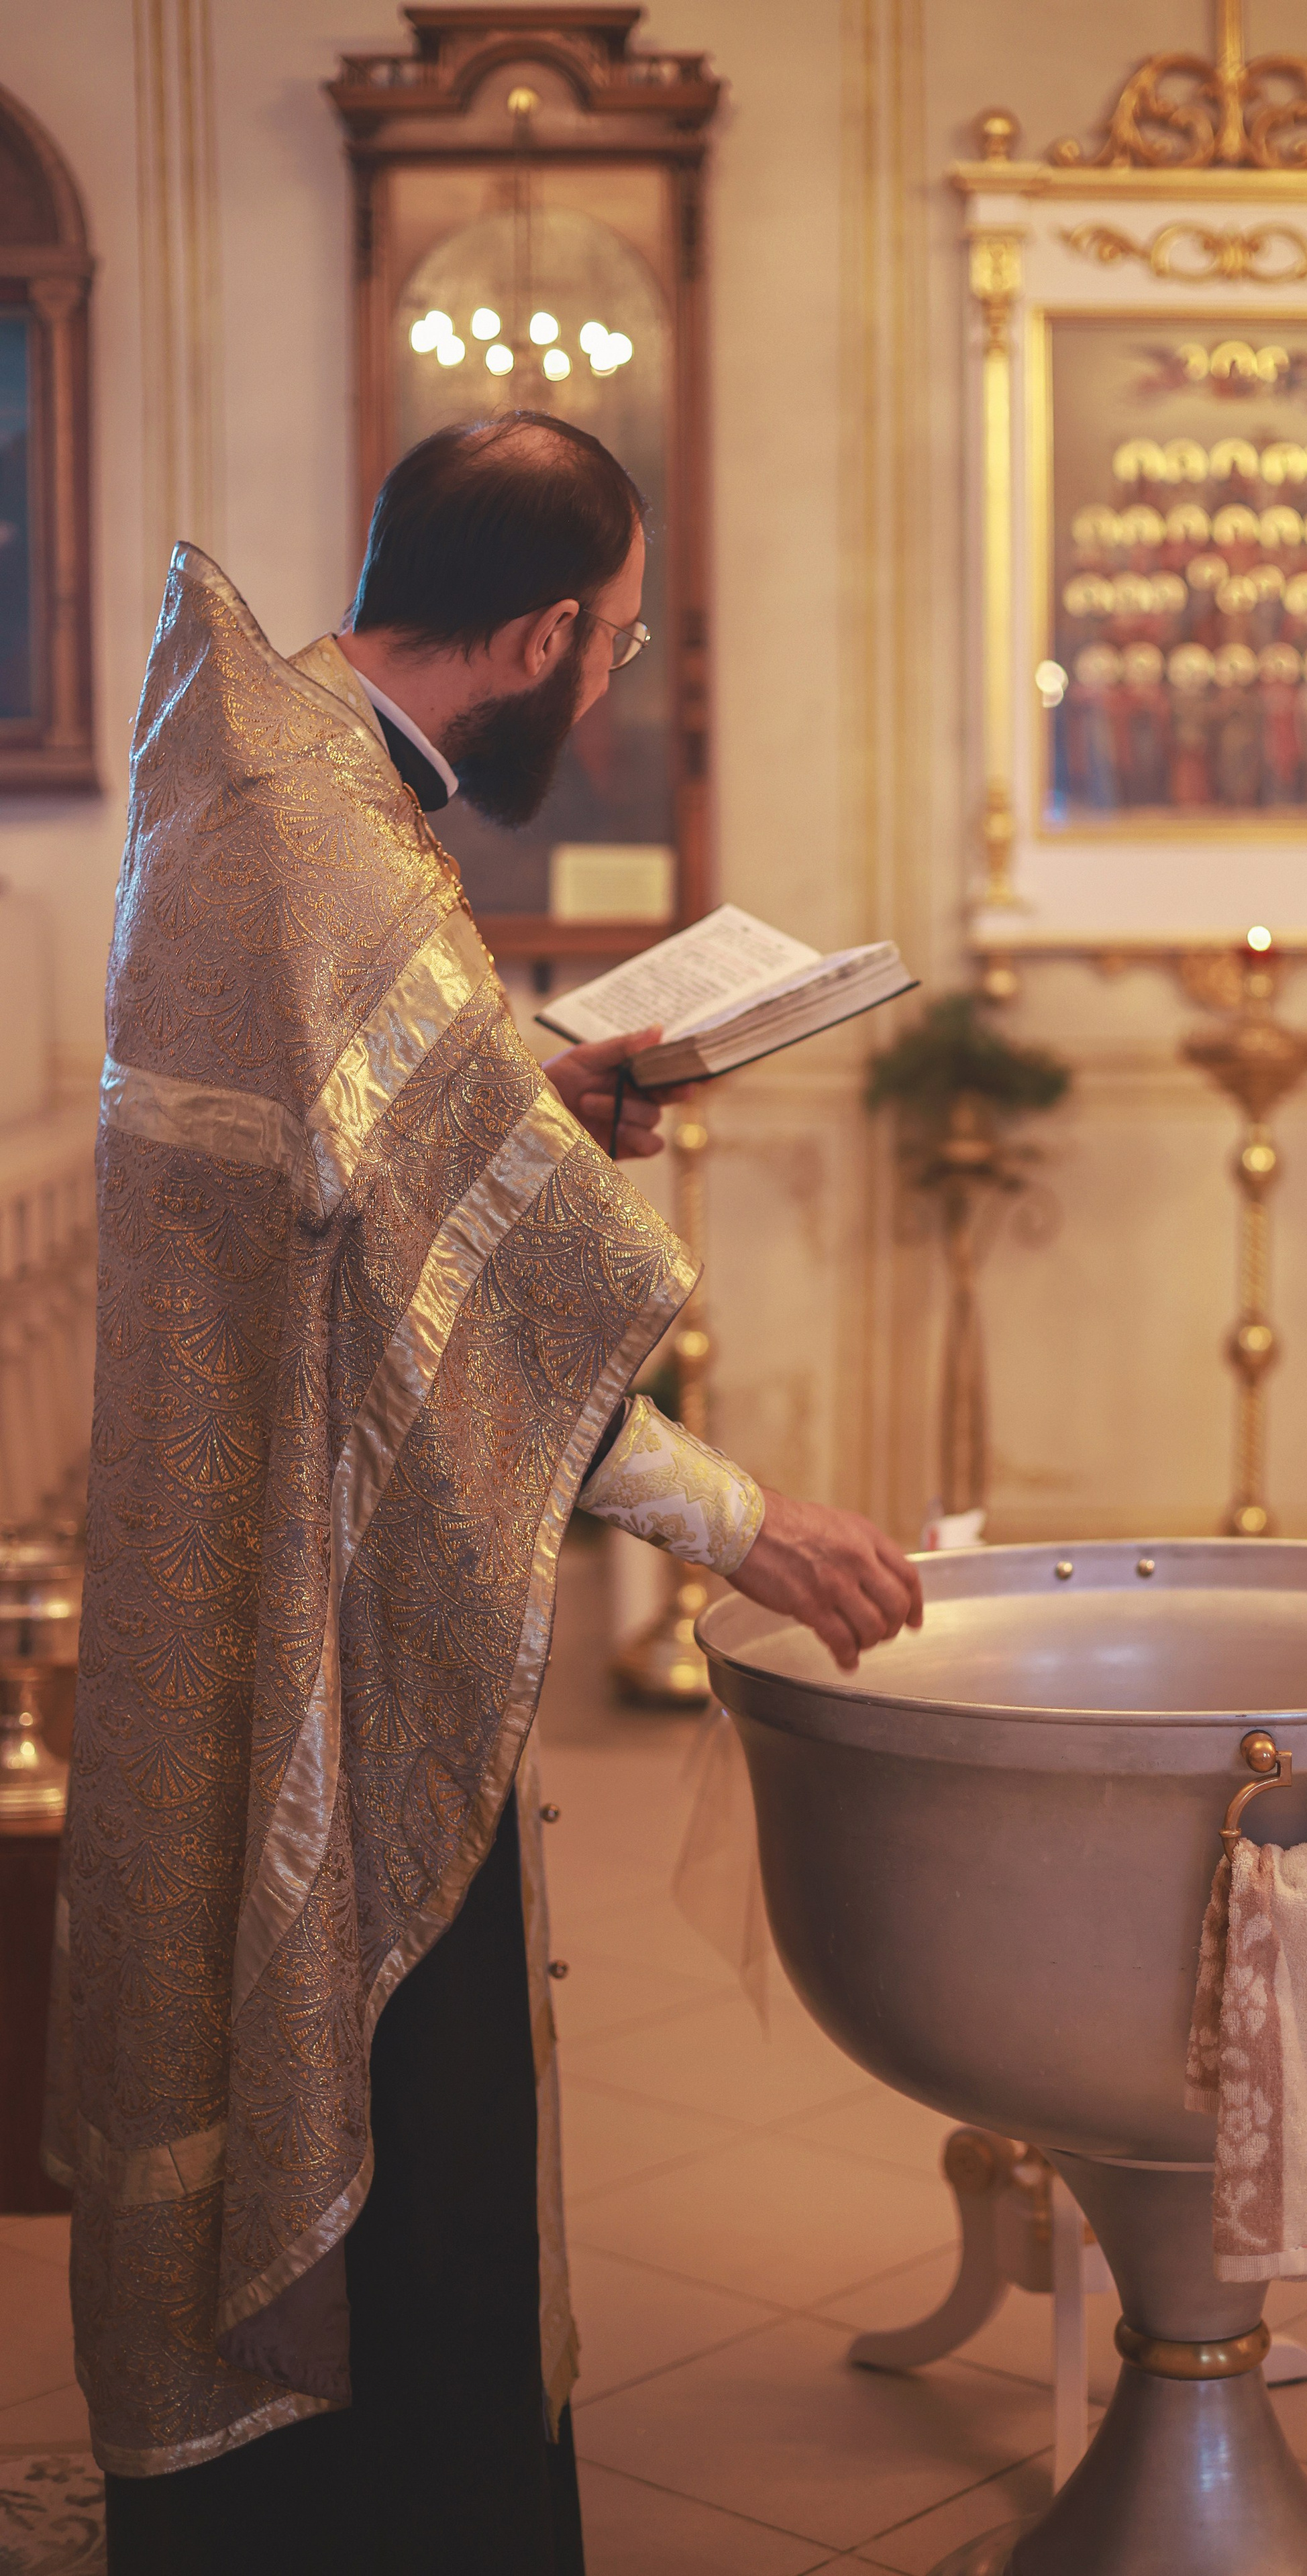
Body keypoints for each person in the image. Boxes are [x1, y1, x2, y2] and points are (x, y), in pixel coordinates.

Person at [50, 410, 923, 2575]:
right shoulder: (326, 840)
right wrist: (754, 1523)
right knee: (399, 2129)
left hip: (267, 1550)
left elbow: (357, 1146)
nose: (605, 686)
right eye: (610, 644)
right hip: (315, 1608)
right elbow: (465, 1316)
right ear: (537, 635)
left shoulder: (285, 772)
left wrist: (528, 1082)